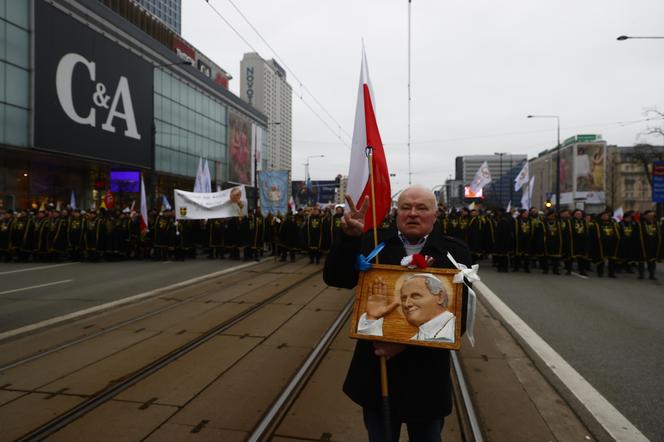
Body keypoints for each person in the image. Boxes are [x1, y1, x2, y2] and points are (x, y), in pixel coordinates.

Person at [324, 184, 471, 442]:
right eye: (406, 207)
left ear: (435, 215)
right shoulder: (373, 243)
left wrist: (403, 345)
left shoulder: (453, 253)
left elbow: (458, 321)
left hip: (426, 381)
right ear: (396, 213)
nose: (413, 213)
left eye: (422, 208)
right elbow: (337, 278)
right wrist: (348, 239)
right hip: (377, 375)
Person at [358, 274, 455, 343]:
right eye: (404, 298)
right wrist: (372, 317)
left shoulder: (451, 328)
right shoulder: (417, 337)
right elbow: (377, 348)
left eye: (416, 296)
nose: (407, 304)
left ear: (440, 297)